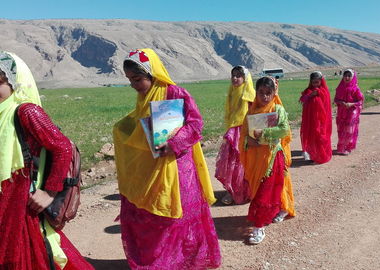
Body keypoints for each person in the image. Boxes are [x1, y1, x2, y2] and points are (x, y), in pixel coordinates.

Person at [112, 49, 221, 269]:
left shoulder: (175, 93)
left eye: (137, 79)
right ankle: (158, 262)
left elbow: (195, 125)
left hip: (178, 167)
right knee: (152, 215)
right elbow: (143, 125)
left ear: (152, 75)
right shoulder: (144, 97)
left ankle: (182, 261)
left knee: (175, 218)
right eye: (129, 80)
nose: (134, 85)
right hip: (153, 165)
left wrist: (172, 144)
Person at [0, 51, 94, 269]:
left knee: (27, 254)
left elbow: (62, 147)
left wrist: (49, 192)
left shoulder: (26, 111)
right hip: (5, 198)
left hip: (20, 201)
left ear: (15, 83)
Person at [239, 77, 296, 245]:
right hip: (256, 158)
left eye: (268, 93)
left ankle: (259, 227)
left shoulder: (278, 110)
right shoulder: (251, 112)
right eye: (261, 93)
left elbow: (284, 129)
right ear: (256, 93)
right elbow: (244, 134)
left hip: (272, 158)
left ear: (273, 94)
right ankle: (277, 209)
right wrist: (248, 142)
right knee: (260, 191)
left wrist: (263, 134)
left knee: (265, 192)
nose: (264, 97)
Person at [215, 66, 255, 205]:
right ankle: (231, 191)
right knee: (231, 162)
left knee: (243, 161)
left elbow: (255, 114)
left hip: (245, 131)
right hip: (232, 130)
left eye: (239, 75)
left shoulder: (250, 94)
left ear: (245, 78)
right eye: (233, 75)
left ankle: (245, 190)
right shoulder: (232, 92)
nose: (235, 78)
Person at [299, 71, 332, 163]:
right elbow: (302, 99)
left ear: (321, 81)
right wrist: (310, 95)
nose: (315, 84)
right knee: (311, 137)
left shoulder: (324, 91)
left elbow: (326, 105)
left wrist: (319, 93)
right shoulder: (308, 91)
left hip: (321, 120)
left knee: (320, 137)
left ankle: (321, 155)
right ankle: (313, 155)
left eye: (317, 82)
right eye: (313, 82)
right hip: (310, 120)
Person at [334, 69, 364, 156]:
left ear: (353, 77)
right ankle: (341, 147)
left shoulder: (356, 88)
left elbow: (360, 101)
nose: (346, 77)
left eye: (349, 76)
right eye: (345, 75)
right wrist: (341, 102)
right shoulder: (340, 88)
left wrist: (351, 104)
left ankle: (348, 147)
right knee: (341, 129)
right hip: (342, 111)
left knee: (349, 129)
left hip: (352, 111)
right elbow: (336, 99)